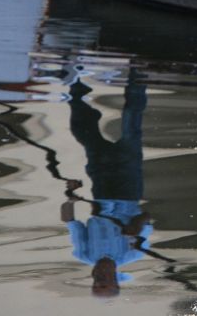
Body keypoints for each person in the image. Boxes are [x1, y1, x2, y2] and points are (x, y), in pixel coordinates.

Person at [62, 74, 152, 297]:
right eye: (104, 284)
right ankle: (138, 76)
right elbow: (147, 217)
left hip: (100, 187)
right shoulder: (133, 254)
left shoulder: (84, 254)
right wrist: (134, 227)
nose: (99, 279)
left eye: (95, 285)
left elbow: (68, 220)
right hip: (128, 186)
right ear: (115, 281)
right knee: (131, 127)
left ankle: (77, 79)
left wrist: (70, 197)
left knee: (81, 131)